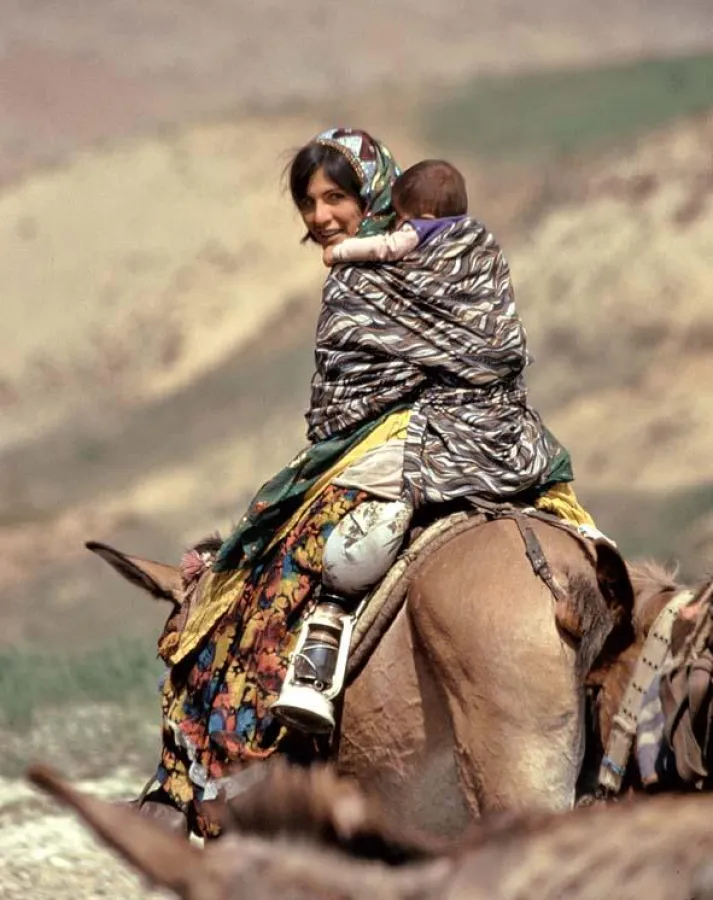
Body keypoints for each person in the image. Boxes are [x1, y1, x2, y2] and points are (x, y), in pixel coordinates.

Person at [140, 127, 596, 837]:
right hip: (508, 447)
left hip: (412, 448)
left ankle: (235, 758)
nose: (321, 215)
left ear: (373, 195)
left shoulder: (367, 271)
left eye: (336, 197)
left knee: (262, 570)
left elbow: (341, 410)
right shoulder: (464, 247)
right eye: (308, 201)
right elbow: (495, 346)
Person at [323, 158, 468, 265]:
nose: (392, 220)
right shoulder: (467, 238)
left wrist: (338, 252)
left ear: (425, 219)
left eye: (398, 215)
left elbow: (383, 248)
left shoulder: (418, 231)